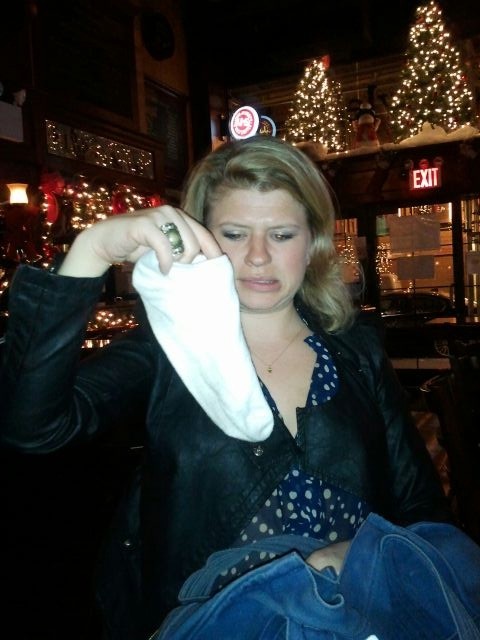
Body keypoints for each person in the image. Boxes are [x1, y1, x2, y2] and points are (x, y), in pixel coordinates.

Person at [0, 135, 453, 639]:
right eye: (235, 234)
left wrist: (368, 555)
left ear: (312, 243)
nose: (258, 257)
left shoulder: (357, 351)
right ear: (202, 238)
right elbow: (30, 427)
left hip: (353, 621)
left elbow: (420, 507)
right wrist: (93, 248)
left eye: (281, 234)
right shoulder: (166, 349)